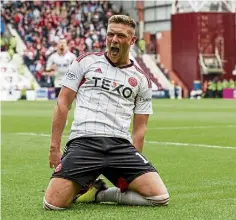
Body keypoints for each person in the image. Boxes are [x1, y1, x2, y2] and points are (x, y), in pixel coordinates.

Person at [43, 15, 169, 210]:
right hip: (84, 142)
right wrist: (54, 147)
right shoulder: (85, 62)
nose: (114, 40)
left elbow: (140, 127)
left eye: (120, 35)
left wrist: (129, 171)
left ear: (132, 40)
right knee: (53, 204)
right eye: (110, 34)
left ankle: (99, 194)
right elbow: (63, 103)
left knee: (159, 197)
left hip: (120, 146)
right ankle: (85, 183)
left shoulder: (141, 79)